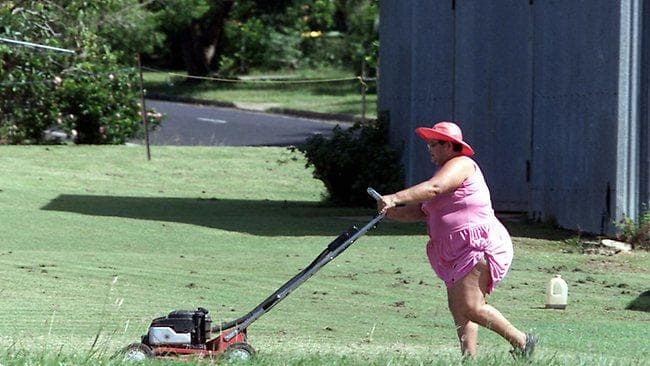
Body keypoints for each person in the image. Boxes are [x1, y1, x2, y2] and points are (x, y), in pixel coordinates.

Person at [376, 121, 537, 359]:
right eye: (428, 144)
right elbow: (423, 210)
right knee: (459, 308)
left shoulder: (461, 164)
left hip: (476, 244)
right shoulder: (444, 171)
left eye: (434, 144)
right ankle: (468, 358)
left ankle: (523, 341)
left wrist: (396, 197)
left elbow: (434, 188)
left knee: (472, 307)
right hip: (455, 250)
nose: (429, 149)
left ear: (450, 146)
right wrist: (390, 211)